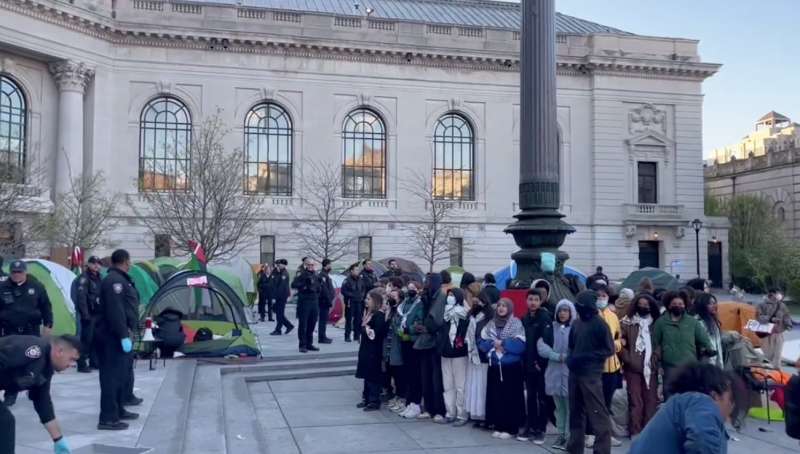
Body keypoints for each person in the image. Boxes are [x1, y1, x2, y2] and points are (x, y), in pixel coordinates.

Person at [630, 363, 738, 454]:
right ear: (715, 396)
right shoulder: (701, 402)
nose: (732, 406)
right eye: (731, 400)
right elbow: (702, 442)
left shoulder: (682, 404)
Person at [0, 335, 81, 454]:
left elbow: (42, 403)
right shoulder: (34, 350)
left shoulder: (45, 368)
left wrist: (58, 440)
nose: (72, 365)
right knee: (5, 421)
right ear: (60, 351)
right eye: (72, 359)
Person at [95, 249, 140, 430]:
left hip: (119, 335)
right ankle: (107, 417)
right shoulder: (114, 282)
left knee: (121, 376)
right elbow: (116, 311)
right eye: (129, 261)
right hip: (111, 337)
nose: (130, 264)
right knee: (111, 378)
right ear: (125, 261)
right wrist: (123, 335)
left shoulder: (120, 279)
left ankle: (118, 409)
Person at [566, 290, 614, 454]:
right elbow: (571, 345)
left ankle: (601, 450)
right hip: (575, 373)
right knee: (575, 413)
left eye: (580, 306)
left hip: (591, 375)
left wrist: (586, 357)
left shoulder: (600, 324)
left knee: (598, 414)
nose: (577, 308)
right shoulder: (577, 323)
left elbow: (609, 349)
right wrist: (570, 358)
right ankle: (574, 448)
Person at [0, 260, 53, 407]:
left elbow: (46, 306)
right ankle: (11, 392)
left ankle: (35, 389)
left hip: (31, 330)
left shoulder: (36, 286)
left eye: (20, 272)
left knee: (34, 361)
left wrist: (48, 324)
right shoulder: (2, 287)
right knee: (12, 363)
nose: (17, 275)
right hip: (10, 332)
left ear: (25, 272)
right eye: (14, 272)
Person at [479, 298, 526, 440]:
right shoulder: (491, 323)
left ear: (510, 308)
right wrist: (494, 344)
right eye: (499, 305)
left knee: (510, 398)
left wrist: (504, 344)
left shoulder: (516, 323)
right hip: (495, 366)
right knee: (497, 397)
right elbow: (482, 341)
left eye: (504, 306)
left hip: (510, 367)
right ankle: (499, 425)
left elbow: (521, 344)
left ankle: (511, 428)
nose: (501, 308)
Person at [619, 294, 660, 437]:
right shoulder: (626, 322)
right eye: (640, 304)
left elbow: (660, 344)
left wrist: (655, 358)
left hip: (651, 368)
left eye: (646, 305)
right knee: (636, 402)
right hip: (633, 368)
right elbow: (620, 342)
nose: (643, 307)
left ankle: (649, 433)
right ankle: (635, 431)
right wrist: (628, 358)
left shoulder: (656, 323)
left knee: (651, 401)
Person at [653, 291, 714, 386]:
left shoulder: (693, 322)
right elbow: (655, 344)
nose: (678, 306)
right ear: (669, 306)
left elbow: (704, 339)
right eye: (674, 304)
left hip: (689, 366)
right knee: (670, 393)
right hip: (669, 366)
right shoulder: (661, 323)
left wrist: (708, 349)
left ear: (685, 305)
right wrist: (658, 365)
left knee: (689, 393)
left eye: (680, 304)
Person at [538, 299, 576, 451]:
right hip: (554, 372)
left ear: (571, 312)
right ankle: (561, 434)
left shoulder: (575, 328)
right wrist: (556, 356)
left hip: (570, 374)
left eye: (566, 310)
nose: (562, 313)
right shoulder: (550, 328)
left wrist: (567, 357)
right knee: (559, 408)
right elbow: (541, 346)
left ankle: (569, 435)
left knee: (570, 407)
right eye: (560, 310)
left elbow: (578, 347)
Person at [590, 284, 623, 448]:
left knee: (607, 403)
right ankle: (590, 433)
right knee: (594, 402)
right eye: (598, 296)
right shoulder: (590, 315)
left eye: (604, 295)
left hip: (612, 366)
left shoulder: (613, 316)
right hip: (595, 367)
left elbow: (619, 338)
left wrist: (615, 345)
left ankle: (605, 434)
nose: (601, 298)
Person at [414, 271, 448, 422]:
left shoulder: (441, 297)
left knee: (436, 379)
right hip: (425, 342)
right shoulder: (426, 297)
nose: (425, 284)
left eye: (428, 281)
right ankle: (428, 408)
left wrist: (426, 328)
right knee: (425, 377)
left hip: (435, 343)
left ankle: (439, 410)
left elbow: (437, 320)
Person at [521, 288, 552, 444]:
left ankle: (541, 429)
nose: (532, 302)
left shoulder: (545, 318)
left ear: (540, 302)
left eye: (535, 299)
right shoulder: (524, 318)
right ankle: (530, 426)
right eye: (530, 299)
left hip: (541, 366)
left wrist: (541, 363)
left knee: (542, 398)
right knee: (531, 397)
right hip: (527, 364)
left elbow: (546, 342)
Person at [437, 287, 471, 425]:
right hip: (445, 352)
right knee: (447, 384)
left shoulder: (464, 314)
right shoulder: (444, 313)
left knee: (460, 385)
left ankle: (462, 414)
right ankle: (450, 412)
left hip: (459, 353)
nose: (450, 297)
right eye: (448, 295)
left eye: (452, 295)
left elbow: (466, 333)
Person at [355, 288, 389, 411]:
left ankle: (374, 401)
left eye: (369, 299)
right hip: (366, 348)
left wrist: (366, 330)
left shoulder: (378, 315)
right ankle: (367, 398)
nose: (366, 301)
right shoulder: (368, 314)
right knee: (366, 374)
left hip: (374, 350)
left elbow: (377, 333)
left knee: (373, 376)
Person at [465, 284, 492, 427]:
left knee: (482, 386)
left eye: (477, 298)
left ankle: (484, 415)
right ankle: (476, 414)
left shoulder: (488, 315)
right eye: (473, 298)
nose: (475, 300)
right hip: (472, 355)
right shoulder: (473, 313)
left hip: (483, 356)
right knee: (474, 386)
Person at [397, 281, 425, 419]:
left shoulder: (419, 303)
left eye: (413, 288)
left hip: (414, 342)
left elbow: (420, 322)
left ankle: (415, 403)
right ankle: (409, 403)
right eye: (408, 288)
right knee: (407, 373)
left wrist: (410, 329)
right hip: (404, 340)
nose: (410, 290)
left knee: (415, 374)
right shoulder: (404, 303)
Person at [72, 256, 102, 373]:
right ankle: (81, 363)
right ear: (88, 264)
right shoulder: (84, 278)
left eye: (98, 263)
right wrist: (85, 314)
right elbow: (81, 298)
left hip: (97, 313)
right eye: (93, 263)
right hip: (88, 314)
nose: (96, 265)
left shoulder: (99, 278)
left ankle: (95, 362)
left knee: (96, 339)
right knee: (86, 340)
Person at [758, 288, 793, 369]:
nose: (779, 295)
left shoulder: (782, 305)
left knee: (778, 353)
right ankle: (768, 368)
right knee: (768, 354)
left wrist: (788, 324)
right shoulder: (762, 305)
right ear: (771, 294)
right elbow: (758, 317)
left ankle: (777, 369)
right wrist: (770, 319)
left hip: (778, 333)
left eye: (779, 293)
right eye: (777, 293)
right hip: (767, 334)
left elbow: (786, 315)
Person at [292, 257, 321, 353]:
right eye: (309, 265)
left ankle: (309, 343)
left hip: (314, 301)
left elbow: (318, 286)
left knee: (312, 323)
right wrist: (304, 286)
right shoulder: (301, 274)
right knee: (303, 324)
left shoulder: (316, 275)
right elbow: (294, 284)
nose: (311, 266)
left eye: (312, 265)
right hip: (304, 302)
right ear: (306, 265)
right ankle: (302, 345)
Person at [694, 293, 724, 369]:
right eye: (710, 303)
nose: (714, 305)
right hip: (705, 361)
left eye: (714, 303)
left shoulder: (713, 321)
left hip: (716, 360)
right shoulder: (699, 322)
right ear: (702, 305)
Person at [269, 259, 293, 336]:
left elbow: (281, 287)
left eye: (279, 264)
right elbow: (272, 282)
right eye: (277, 264)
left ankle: (278, 329)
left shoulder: (284, 274)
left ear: (284, 265)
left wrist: (274, 298)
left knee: (279, 313)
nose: (277, 266)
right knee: (278, 312)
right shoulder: (276, 272)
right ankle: (289, 325)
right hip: (275, 295)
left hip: (281, 296)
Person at [341, 264, 365, 343]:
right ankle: (347, 336)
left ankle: (356, 335)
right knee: (349, 319)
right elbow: (343, 291)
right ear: (351, 271)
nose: (358, 271)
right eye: (356, 270)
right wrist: (353, 295)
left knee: (358, 319)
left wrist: (361, 295)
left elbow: (363, 289)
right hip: (350, 302)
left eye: (358, 270)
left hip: (359, 302)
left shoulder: (360, 279)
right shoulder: (347, 280)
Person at [318, 259, 335, 345]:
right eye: (330, 265)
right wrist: (329, 300)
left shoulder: (325, 275)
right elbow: (324, 290)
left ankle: (323, 336)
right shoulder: (322, 275)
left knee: (324, 320)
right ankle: (322, 337)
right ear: (327, 265)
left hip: (326, 301)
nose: (331, 267)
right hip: (324, 301)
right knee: (322, 320)